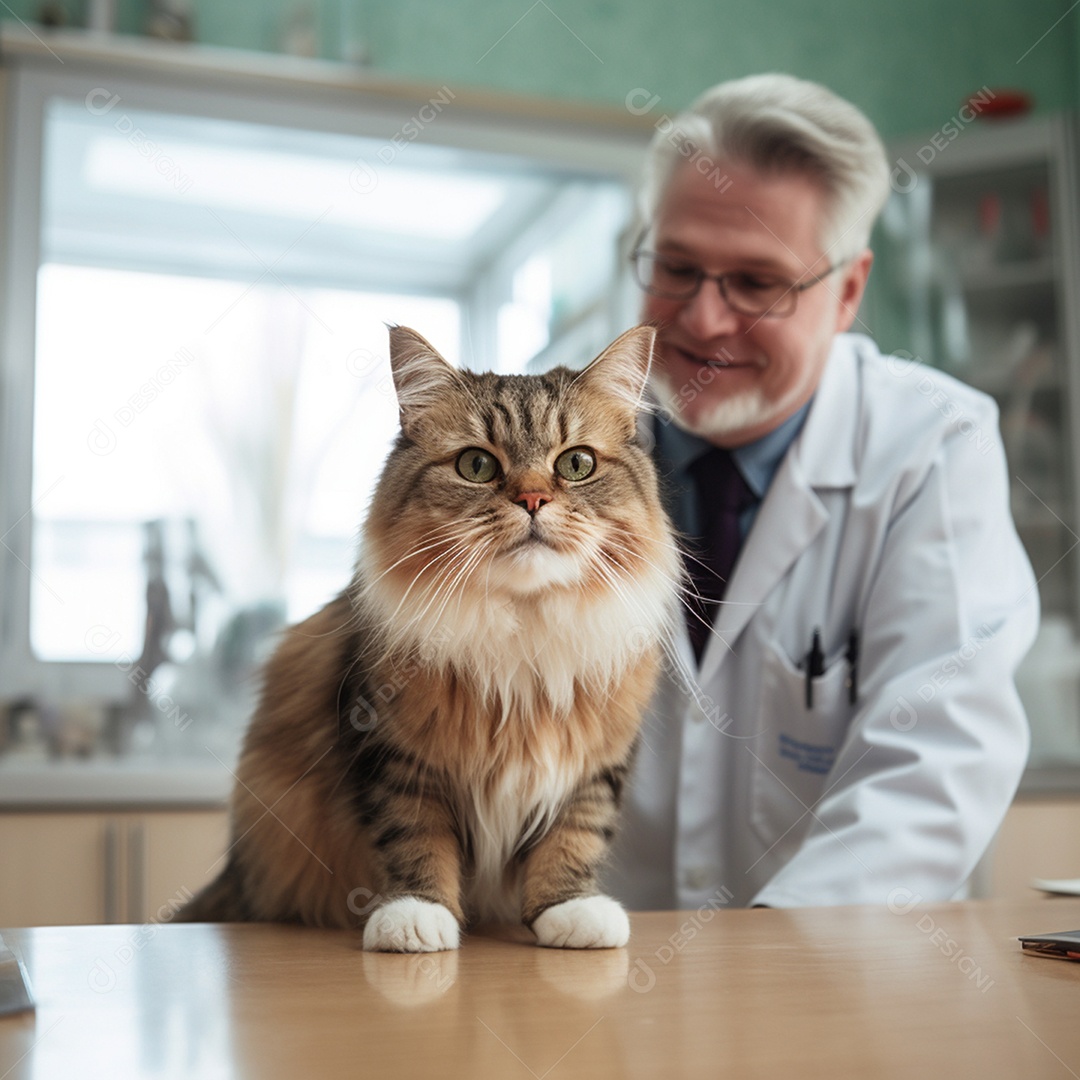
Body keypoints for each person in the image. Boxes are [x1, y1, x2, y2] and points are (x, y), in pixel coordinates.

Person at [603, 73, 1039, 910]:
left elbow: (932, 770)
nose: (702, 319)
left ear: (846, 292)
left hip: (837, 990)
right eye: (676, 265)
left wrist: (772, 964)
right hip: (590, 983)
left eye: (757, 283)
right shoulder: (564, 447)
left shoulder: (931, 447)